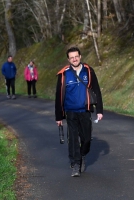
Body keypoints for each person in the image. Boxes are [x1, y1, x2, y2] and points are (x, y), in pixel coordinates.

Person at [55, 47, 103, 177]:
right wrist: (58, 116)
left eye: (76, 56)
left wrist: (99, 110)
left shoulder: (88, 70)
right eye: (71, 57)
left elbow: (97, 90)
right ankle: (75, 164)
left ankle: (82, 154)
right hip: (70, 111)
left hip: (85, 110)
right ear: (68, 59)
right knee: (73, 139)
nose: (74, 59)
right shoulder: (64, 74)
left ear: (80, 56)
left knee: (86, 139)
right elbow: (59, 95)